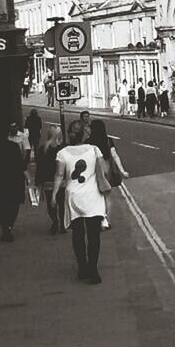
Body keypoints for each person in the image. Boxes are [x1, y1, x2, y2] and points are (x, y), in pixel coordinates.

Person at [52, 120, 109, 284]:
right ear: (83, 135)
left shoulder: (62, 153)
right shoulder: (94, 149)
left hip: (73, 196)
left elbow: (59, 176)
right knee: (93, 235)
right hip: (92, 197)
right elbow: (103, 170)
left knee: (77, 234)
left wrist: (54, 195)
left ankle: (82, 268)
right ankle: (93, 270)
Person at [0, 129, 27, 242]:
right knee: (14, 205)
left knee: (3, 205)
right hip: (13, 180)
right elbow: (20, 164)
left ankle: (6, 229)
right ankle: (8, 226)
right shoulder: (13, 147)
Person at [88, 119, 129, 229]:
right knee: (107, 197)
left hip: (92, 171)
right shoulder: (108, 140)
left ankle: (96, 219)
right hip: (106, 170)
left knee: (95, 197)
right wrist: (122, 171)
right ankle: (106, 222)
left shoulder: (88, 142)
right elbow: (115, 156)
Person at [36, 124, 66, 233]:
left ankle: (55, 222)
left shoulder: (43, 148)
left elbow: (39, 166)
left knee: (51, 203)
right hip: (61, 180)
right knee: (61, 203)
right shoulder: (62, 149)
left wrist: (38, 181)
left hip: (48, 180)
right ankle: (62, 224)